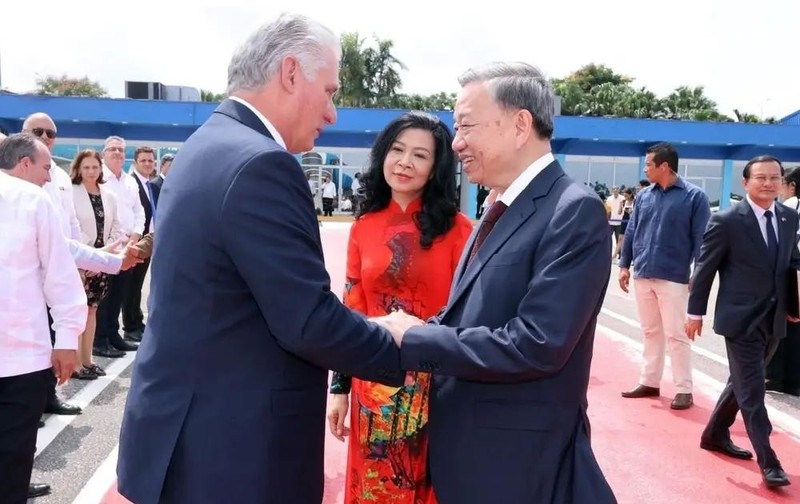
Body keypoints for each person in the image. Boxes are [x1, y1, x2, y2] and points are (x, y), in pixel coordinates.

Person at [117, 14, 404, 504]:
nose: (333, 113)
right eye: (330, 90)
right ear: (291, 73)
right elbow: (306, 321)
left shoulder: (205, 146)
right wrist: (396, 338)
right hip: (234, 458)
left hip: (190, 440)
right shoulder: (262, 164)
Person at [373, 62, 616, 503]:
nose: (458, 142)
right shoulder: (498, 207)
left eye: (466, 126)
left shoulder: (572, 211)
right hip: (471, 456)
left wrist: (418, 338)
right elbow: (465, 313)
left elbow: (538, 343)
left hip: (516, 466)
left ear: (520, 124)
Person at [326, 112, 473, 503]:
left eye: (420, 155)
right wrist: (339, 388)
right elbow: (352, 308)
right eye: (397, 150)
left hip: (436, 385)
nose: (405, 162)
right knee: (374, 485)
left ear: (436, 167)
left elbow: (468, 314)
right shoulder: (364, 227)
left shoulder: (460, 231)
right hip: (372, 382)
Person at [686, 155, 798, 489]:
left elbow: (791, 261)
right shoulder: (727, 220)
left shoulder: (788, 217)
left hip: (774, 317)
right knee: (752, 390)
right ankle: (769, 461)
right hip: (739, 319)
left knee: (741, 382)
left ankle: (715, 433)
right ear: (745, 182)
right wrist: (695, 313)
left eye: (774, 178)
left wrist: (793, 302)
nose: (768, 183)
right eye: (761, 178)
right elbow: (704, 270)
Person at [0, 133, 87, 503]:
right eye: (46, 168)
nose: (50, 176)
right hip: (22, 355)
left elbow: (59, 274)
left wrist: (68, 338)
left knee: (13, 462)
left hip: (22, 358)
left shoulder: (31, 200)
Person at [618, 143, 711, 410]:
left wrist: (699, 273)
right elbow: (633, 230)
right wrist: (625, 265)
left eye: (648, 164)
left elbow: (700, 240)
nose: (645, 168)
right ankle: (649, 381)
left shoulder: (694, 197)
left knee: (676, 334)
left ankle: (684, 389)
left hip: (673, 277)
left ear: (664, 166)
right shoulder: (644, 196)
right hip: (643, 273)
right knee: (650, 331)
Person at [766, 166, 800, 396]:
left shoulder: (789, 207)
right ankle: (794, 382)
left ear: (792, 186)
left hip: (790, 271)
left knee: (782, 326)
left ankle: (775, 377)